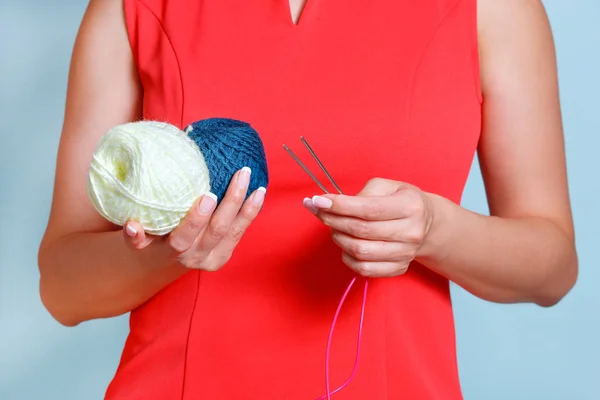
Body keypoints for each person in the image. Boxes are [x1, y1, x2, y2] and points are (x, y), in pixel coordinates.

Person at [37, 0, 578, 398]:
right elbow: (63, 288)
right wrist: (169, 251)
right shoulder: (132, 7)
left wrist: (437, 231)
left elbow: (552, 267)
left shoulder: (494, 9)